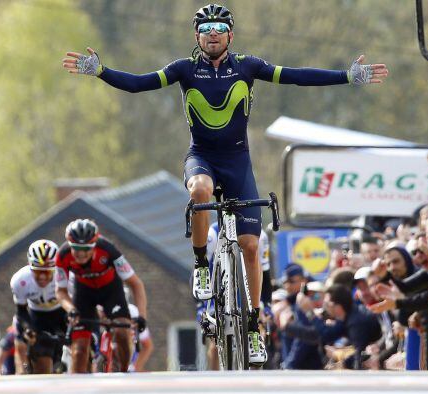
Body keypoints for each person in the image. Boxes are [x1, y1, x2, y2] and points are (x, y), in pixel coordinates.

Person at [62, 3, 388, 365]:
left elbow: (297, 75)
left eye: (220, 26)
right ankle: (202, 264)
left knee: (250, 245)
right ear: (197, 36)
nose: (213, 32)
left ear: (230, 35)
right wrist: (101, 71)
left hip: (238, 161)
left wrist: (348, 76)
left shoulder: (247, 66)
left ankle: (252, 328)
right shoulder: (184, 69)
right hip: (201, 156)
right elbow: (139, 84)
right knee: (199, 191)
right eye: (206, 28)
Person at [54, 219, 147, 373]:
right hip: (84, 293)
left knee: (122, 332)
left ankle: (125, 373)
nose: (81, 254)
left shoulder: (108, 250)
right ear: (69, 245)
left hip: (110, 291)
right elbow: (61, 291)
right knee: (79, 350)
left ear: (95, 244)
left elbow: (136, 284)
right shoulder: (62, 256)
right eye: (76, 248)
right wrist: (70, 309)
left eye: (86, 249)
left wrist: (142, 316)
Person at [11, 239, 67, 374]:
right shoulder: (20, 280)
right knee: (42, 364)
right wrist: (28, 328)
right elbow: (21, 311)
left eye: (47, 272)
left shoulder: (65, 275)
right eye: (37, 271)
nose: (42, 276)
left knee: (79, 350)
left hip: (62, 313)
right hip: (37, 317)